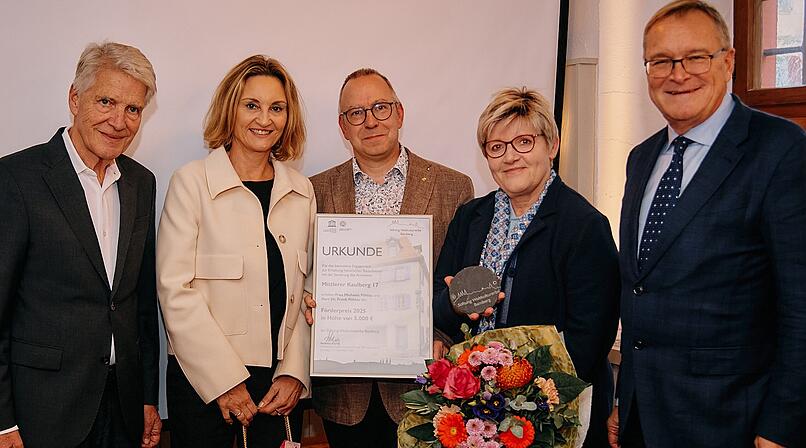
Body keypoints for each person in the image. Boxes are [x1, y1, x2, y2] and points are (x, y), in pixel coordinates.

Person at [607, 1, 806, 447]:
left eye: (696, 57)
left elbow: (801, 304)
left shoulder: (781, 150)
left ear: (729, 61)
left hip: (732, 422)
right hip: (644, 418)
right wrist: (625, 399)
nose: (678, 74)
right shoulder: (641, 159)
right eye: (660, 61)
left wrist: (781, 425)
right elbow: (640, 288)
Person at [433, 87, 620, 447]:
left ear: (551, 145)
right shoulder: (471, 216)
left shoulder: (583, 225)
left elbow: (589, 340)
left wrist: (523, 406)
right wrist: (455, 302)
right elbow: (439, 304)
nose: (510, 157)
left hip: (549, 417)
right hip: (474, 412)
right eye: (496, 147)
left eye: (523, 142)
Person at [0, 42, 161, 448]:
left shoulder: (141, 183)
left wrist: (146, 397)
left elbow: (140, 304)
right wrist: (3, 424)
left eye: (133, 109)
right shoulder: (18, 178)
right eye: (106, 101)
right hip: (43, 413)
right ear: (75, 98)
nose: (119, 121)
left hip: (122, 411)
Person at [307, 68, 474, 447]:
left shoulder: (454, 186)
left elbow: (459, 281)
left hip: (425, 386)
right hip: (345, 395)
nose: (370, 121)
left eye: (380, 107)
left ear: (400, 113)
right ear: (342, 126)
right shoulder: (313, 190)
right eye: (356, 113)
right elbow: (304, 272)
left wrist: (442, 338)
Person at [157, 55, 314, 447]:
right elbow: (174, 291)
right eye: (251, 105)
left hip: (278, 389)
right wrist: (225, 380)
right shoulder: (191, 183)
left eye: (277, 108)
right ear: (231, 109)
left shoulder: (301, 191)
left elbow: (310, 293)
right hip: (203, 383)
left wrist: (295, 373)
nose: (265, 119)